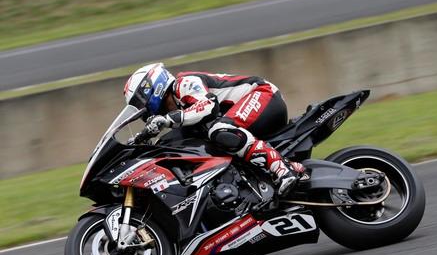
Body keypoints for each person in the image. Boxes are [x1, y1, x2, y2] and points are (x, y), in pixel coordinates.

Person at [123, 63, 303, 195]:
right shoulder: (176, 111)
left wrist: (167, 120)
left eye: (139, 102)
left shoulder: (183, 83)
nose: (140, 110)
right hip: (243, 116)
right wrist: (141, 142)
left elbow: (208, 106)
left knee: (219, 130)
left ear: (152, 88)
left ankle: (283, 169)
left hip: (262, 94)